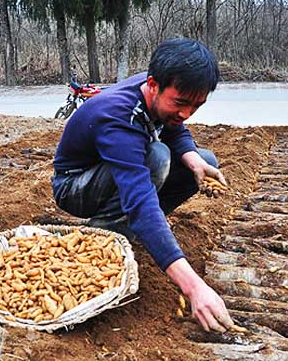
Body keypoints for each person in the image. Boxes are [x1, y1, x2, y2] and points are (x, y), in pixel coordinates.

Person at [51, 38, 234, 332]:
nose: (186, 113)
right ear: (153, 85)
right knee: (157, 158)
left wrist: (192, 159)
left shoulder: (160, 87)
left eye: (196, 105)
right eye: (181, 103)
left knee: (201, 158)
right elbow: (139, 198)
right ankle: (103, 239)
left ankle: (141, 229)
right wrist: (193, 287)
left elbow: (175, 127)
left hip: (108, 172)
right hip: (75, 184)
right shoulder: (118, 117)